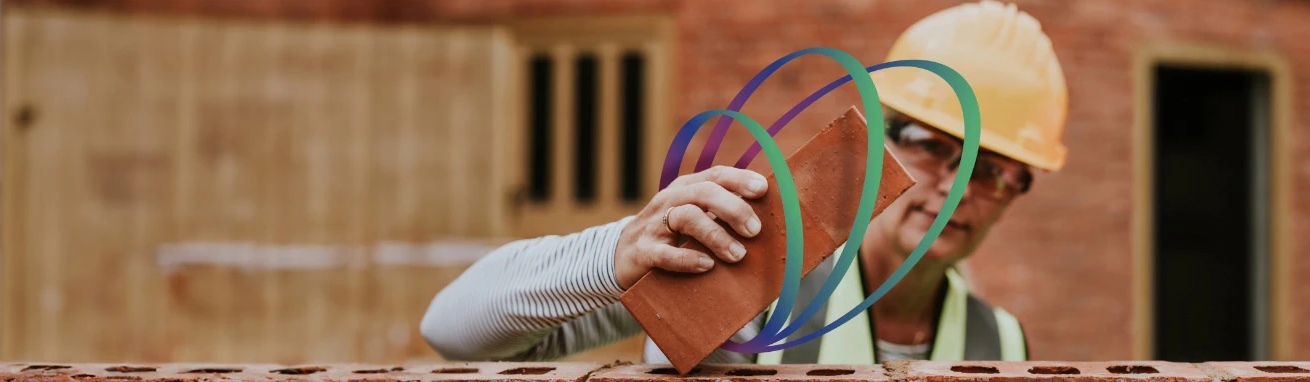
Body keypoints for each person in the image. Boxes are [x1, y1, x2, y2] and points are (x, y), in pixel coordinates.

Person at [419, 0, 1069, 364]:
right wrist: (620, 253)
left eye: (990, 171)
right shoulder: (757, 269)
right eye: (932, 147)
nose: (955, 188)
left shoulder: (1002, 341)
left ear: (1017, 191)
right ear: (880, 139)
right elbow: (454, 329)